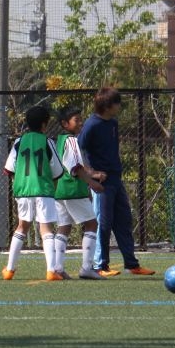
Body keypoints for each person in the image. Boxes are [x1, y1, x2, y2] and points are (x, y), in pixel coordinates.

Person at [78, 88, 155, 277]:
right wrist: (91, 173)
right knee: (103, 223)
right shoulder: (91, 124)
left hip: (115, 178)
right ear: (107, 106)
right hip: (101, 183)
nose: (119, 106)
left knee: (124, 220)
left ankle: (132, 264)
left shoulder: (113, 123)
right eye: (117, 103)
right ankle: (100, 266)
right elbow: (78, 150)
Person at [1, 105, 66, 282]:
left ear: (27, 123)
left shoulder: (19, 142)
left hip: (23, 190)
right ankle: (51, 270)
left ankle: (9, 270)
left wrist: (21, 181)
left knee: (22, 226)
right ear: (44, 124)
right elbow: (58, 171)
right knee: (46, 229)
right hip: (43, 190)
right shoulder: (47, 142)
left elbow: (9, 169)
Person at [53, 105, 107, 280]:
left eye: (81, 119)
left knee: (64, 227)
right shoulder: (72, 140)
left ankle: (57, 268)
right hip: (73, 190)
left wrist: (93, 174)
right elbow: (76, 168)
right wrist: (92, 183)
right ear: (65, 123)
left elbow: (70, 165)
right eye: (76, 120)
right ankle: (86, 268)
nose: (81, 122)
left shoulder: (59, 141)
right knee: (92, 224)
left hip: (60, 190)